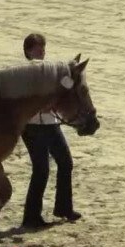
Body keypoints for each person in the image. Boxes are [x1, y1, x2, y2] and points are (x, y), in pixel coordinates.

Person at [20, 33, 82, 229]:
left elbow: (63, 90)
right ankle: (31, 216)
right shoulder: (25, 73)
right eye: (38, 49)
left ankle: (63, 207)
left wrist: (70, 74)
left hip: (50, 124)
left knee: (66, 163)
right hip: (32, 127)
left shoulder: (48, 70)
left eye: (44, 49)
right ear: (28, 51)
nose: (42, 52)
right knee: (41, 170)